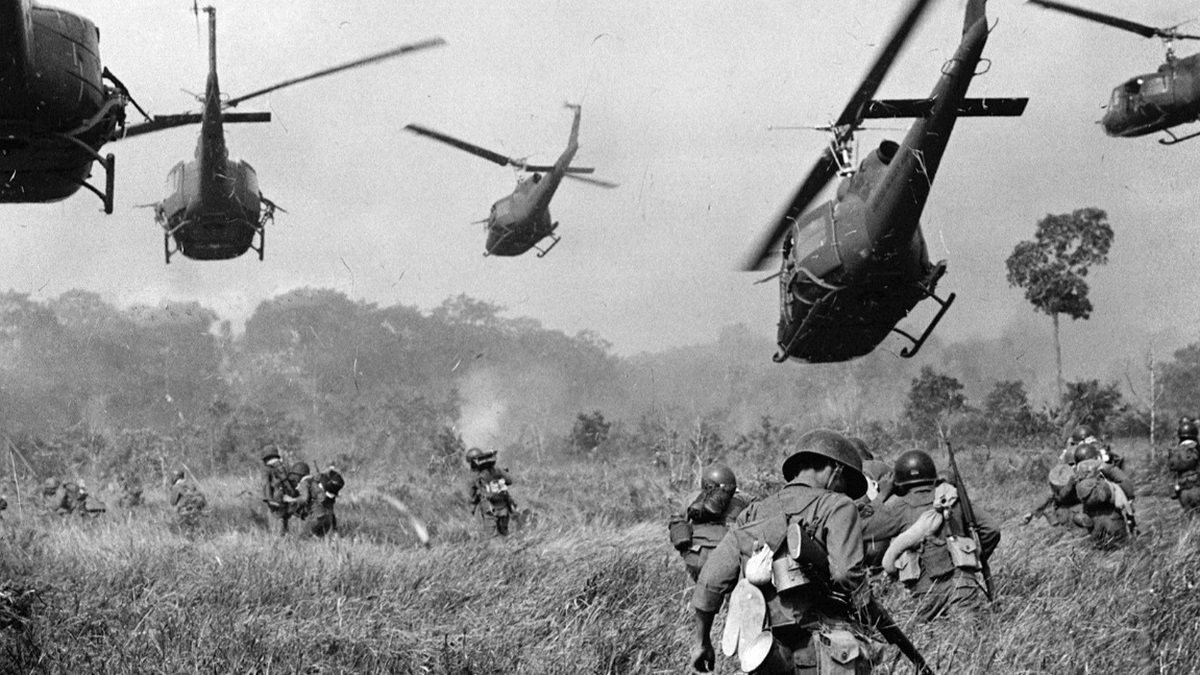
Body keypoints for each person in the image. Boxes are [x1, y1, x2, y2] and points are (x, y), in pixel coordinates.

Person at [690, 429, 878, 674]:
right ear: (835, 470)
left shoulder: (752, 513)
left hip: (765, 650)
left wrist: (701, 641)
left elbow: (711, 580)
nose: (842, 490)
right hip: (824, 645)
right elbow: (846, 574)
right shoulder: (838, 505)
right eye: (844, 483)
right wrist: (866, 611)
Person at [861, 450, 1000, 623]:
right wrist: (972, 559)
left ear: (900, 483)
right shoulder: (951, 498)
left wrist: (882, 495)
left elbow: (860, 528)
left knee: (926, 636)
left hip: (924, 592)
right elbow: (992, 529)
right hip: (962, 584)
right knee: (970, 634)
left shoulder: (899, 507)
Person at [668, 464, 751, 581]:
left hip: (696, 556)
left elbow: (678, 524)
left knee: (701, 586)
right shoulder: (739, 501)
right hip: (726, 557)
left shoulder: (692, 498)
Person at [1071, 444, 1136, 547]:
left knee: (1101, 548)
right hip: (1113, 516)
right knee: (1124, 546)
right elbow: (1124, 481)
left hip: (1093, 520)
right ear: (1095, 456)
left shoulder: (1076, 475)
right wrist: (1127, 497)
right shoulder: (1103, 466)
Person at [466, 447, 518, 536]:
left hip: (489, 509)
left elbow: (472, 498)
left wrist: (473, 510)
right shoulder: (498, 470)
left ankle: (500, 545)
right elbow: (509, 481)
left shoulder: (475, 477)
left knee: (492, 536)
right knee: (504, 532)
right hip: (503, 507)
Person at [1168, 417, 1200, 513]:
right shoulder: (1196, 447)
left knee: (1189, 515)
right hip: (1197, 488)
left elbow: (1171, 469)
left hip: (1182, 491)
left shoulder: (1176, 451)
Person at [261, 446, 294, 536]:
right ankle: (286, 538)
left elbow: (266, 484)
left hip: (275, 498)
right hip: (286, 497)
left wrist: (269, 499)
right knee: (284, 518)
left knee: (277, 519)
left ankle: (279, 539)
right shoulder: (283, 467)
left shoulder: (267, 469)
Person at [308, 466, 344, 538]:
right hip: (314, 509)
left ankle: (329, 532)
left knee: (329, 513)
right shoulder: (314, 487)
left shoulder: (329, 485)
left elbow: (331, 511)